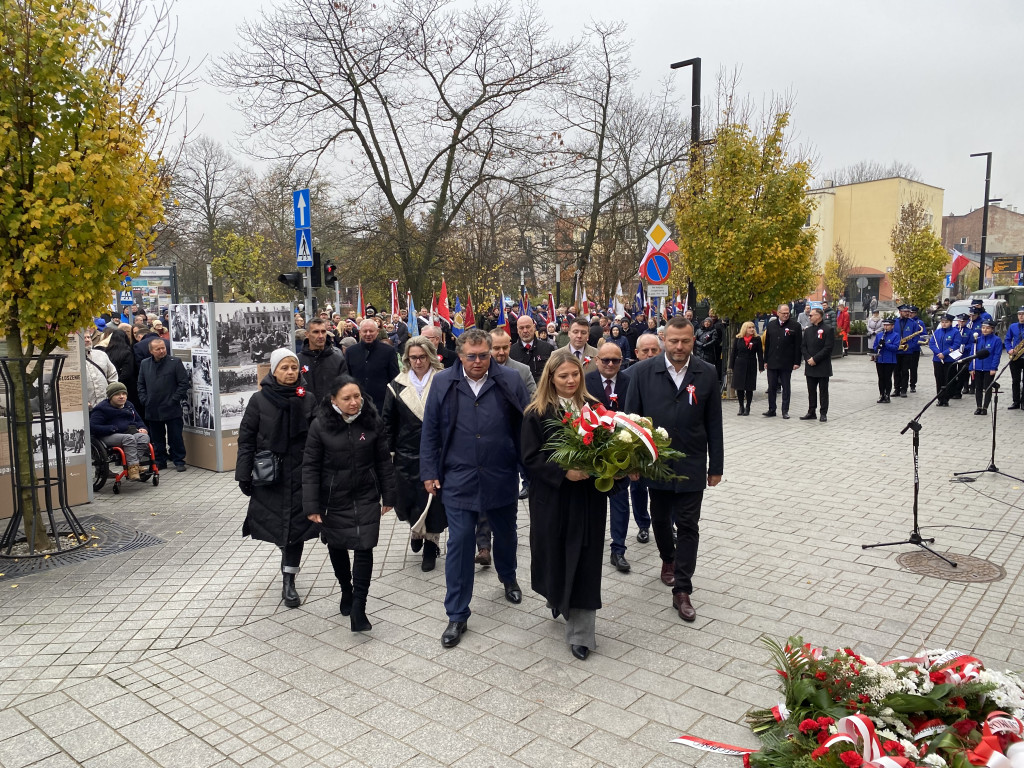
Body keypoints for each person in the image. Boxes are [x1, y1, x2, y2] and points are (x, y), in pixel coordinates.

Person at [420, 328, 530, 648]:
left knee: (506, 533)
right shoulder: (443, 382)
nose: (479, 361)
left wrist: (529, 471)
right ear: (461, 354)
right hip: (458, 477)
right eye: (472, 356)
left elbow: (525, 427)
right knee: (461, 541)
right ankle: (456, 613)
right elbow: (431, 431)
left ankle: (507, 576)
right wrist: (429, 471)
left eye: (484, 355)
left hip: (500, 474)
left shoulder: (509, 379)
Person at [623, 316, 724, 622]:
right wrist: (633, 462)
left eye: (686, 341)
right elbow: (631, 420)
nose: (680, 347)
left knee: (690, 525)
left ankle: (682, 589)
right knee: (660, 519)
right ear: (663, 340)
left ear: (694, 340)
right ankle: (668, 557)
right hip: (656, 461)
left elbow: (714, 422)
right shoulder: (642, 372)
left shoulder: (706, 372)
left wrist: (715, 465)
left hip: (692, 461)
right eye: (674, 341)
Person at [523, 349, 614, 660]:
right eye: (563, 376)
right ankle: (556, 597)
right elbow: (530, 457)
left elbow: (608, 446)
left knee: (586, 561)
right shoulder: (536, 413)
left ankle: (581, 634)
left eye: (575, 374)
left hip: (588, 501)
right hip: (553, 500)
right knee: (554, 556)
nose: (571, 380)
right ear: (551, 378)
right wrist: (564, 472)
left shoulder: (596, 409)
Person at [303, 376, 397, 631]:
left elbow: (383, 462)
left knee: (365, 546)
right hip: (333, 497)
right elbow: (310, 467)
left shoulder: (372, 421)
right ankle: (346, 587)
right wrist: (311, 505)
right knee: (338, 544)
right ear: (333, 400)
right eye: (347, 398)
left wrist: (389, 496)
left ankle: (359, 607)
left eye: (358, 396)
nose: (354, 402)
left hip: (366, 494)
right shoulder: (320, 425)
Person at [236, 349, 318, 609]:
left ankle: (288, 580)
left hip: (302, 473)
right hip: (270, 474)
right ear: (273, 371)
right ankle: (287, 559)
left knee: (295, 530)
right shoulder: (259, 400)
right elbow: (247, 438)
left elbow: (319, 438)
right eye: (284, 368)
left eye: (294, 367)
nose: (290, 372)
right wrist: (243, 474)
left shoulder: (308, 399)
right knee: (279, 527)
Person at [382, 337, 448, 571]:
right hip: (406, 452)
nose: (418, 362)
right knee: (409, 498)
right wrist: (387, 453)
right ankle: (416, 530)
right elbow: (388, 421)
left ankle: (431, 545)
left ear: (430, 355)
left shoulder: (443, 380)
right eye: (413, 357)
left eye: (422, 357)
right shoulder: (397, 384)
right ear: (406, 359)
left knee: (433, 500)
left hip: (436, 451)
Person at [585, 342, 633, 573]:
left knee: (620, 504)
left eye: (616, 360)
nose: (611, 364)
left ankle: (619, 550)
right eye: (606, 360)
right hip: (592, 455)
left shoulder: (630, 382)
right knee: (591, 505)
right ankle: (590, 547)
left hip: (621, 455)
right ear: (597, 361)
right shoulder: (585, 383)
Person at [137, 337, 189, 471]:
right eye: (158, 349)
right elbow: (141, 384)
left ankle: (178, 460)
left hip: (171, 407)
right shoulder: (145, 364)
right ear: (151, 351)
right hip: (152, 407)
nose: (162, 351)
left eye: (163, 348)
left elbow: (183, 383)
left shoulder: (175, 362)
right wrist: (144, 399)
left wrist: (174, 399)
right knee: (157, 437)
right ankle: (160, 460)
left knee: (175, 436)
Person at [90, 382, 150, 480]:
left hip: (128, 433)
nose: (121, 397)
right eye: (117, 394)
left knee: (144, 437)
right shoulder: (101, 409)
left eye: (124, 394)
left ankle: (132, 466)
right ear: (110, 396)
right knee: (129, 438)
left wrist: (143, 428)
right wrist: (111, 428)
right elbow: (93, 426)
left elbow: (138, 420)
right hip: (108, 435)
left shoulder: (129, 405)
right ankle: (133, 468)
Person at [345, 319, 400, 412]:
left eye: (371, 331)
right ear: (360, 332)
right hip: (357, 405)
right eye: (365, 331)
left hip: (382, 404)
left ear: (377, 332)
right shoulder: (350, 351)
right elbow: (347, 377)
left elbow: (395, 379)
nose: (368, 334)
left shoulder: (388, 351)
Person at [762, 304, 802, 419]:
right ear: (778, 313)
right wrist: (765, 361)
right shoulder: (771, 325)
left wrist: (797, 362)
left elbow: (797, 345)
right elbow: (767, 344)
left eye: (787, 313)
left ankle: (785, 410)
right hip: (772, 360)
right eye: (783, 313)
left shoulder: (795, 326)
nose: (786, 315)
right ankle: (771, 409)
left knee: (786, 386)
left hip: (786, 361)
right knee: (772, 386)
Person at [298, 318, 349, 403]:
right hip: (305, 412)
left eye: (323, 331)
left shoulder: (338, 360)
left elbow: (344, 388)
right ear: (307, 334)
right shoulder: (298, 361)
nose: (321, 336)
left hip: (331, 413)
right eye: (316, 332)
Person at [799, 308, 834, 423]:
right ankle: (811, 411)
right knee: (811, 391)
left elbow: (828, 348)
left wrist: (815, 359)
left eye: (811, 315)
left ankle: (823, 413)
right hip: (810, 365)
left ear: (818, 316)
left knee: (823, 391)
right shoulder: (808, 331)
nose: (809, 317)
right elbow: (803, 346)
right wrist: (808, 358)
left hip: (822, 365)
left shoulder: (828, 329)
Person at [729, 321, 763, 416]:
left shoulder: (757, 339)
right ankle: (741, 406)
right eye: (750, 327)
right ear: (745, 329)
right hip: (739, 364)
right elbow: (733, 353)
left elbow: (760, 353)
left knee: (749, 387)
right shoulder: (738, 339)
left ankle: (748, 407)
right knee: (739, 387)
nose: (752, 329)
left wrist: (761, 366)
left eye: (753, 327)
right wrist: (731, 365)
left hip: (751, 363)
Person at [928, 314, 961, 407]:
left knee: (948, 379)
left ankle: (946, 398)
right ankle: (940, 398)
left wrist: (944, 353)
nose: (944, 324)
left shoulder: (955, 332)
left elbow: (956, 345)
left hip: (949, 360)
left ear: (950, 323)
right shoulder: (937, 332)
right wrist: (938, 353)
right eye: (942, 322)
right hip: (937, 359)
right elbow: (932, 344)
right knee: (939, 379)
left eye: (946, 322)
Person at [971, 319, 1003, 415]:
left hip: (988, 368)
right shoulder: (978, 339)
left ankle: (985, 407)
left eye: (987, 328)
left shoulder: (996, 340)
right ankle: (978, 406)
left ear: (992, 329)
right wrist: (971, 367)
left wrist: (993, 367)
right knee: (978, 387)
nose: (984, 330)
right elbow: (972, 354)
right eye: (983, 328)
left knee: (987, 387)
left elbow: (997, 355)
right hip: (977, 367)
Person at [509, 316, 554, 383]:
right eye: (521, 328)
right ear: (517, 330)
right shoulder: (511, 352)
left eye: (528, 327)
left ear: (534, 327)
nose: (525, 331)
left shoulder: (548, 348)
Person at [83, 328, 119, 410]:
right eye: (84, 338)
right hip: (87, 408)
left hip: (106, 404)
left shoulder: (101, 354)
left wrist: (112, 394)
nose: (87, 340)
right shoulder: (74, 360)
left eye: (88, 337)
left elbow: (112, 375)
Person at [893, 305, 923, 397]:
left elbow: (916, 337)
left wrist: (909, 346)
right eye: (905, 311)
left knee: (905, 371)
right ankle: (896, 389)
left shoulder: (913, 323)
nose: (907, 313)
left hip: (907, 351)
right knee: (896, 371)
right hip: (897, 350)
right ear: (900, 312)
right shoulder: (894, 322)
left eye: (908, 311)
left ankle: (904, 390)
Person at [871, 317, 900, 403]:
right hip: (880, 359)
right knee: (881, 378)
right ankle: (881, 394)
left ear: (892, 326)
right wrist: (878, 347)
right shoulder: (879, 335)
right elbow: (874, 347)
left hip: (890, 360)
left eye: (888, 325)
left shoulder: (896, 335)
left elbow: (895, 348)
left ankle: (887, 395)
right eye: (884, 325)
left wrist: (885, 345)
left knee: (887, 378)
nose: (886, 327)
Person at [1004, 307, 1024, 410]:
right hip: (1015, 357)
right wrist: (1009, 349)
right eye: (1019, 314)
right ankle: (1016, 401)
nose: (1021, 316)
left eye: (1023, 314)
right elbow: (1007, 340)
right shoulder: (1013, 326)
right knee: (1015, 380)